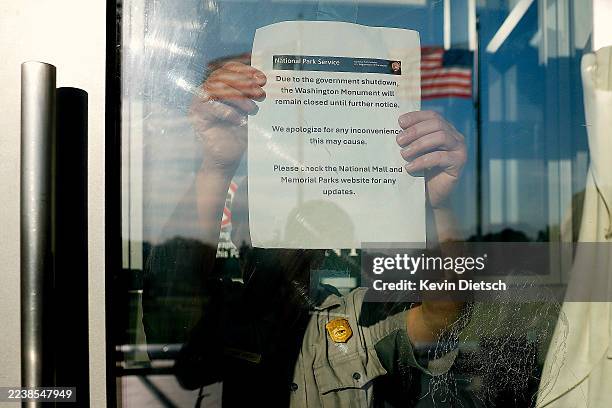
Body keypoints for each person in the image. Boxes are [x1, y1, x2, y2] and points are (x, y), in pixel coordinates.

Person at [167, 56, 470, 407]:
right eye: (260, 210)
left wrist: (439, 208)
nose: (282, 226)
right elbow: (173, 319)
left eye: (297, 210)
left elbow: (444, 312)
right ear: (236, 228)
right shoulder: (231, 310)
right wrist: (215, 168)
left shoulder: (358, 315)